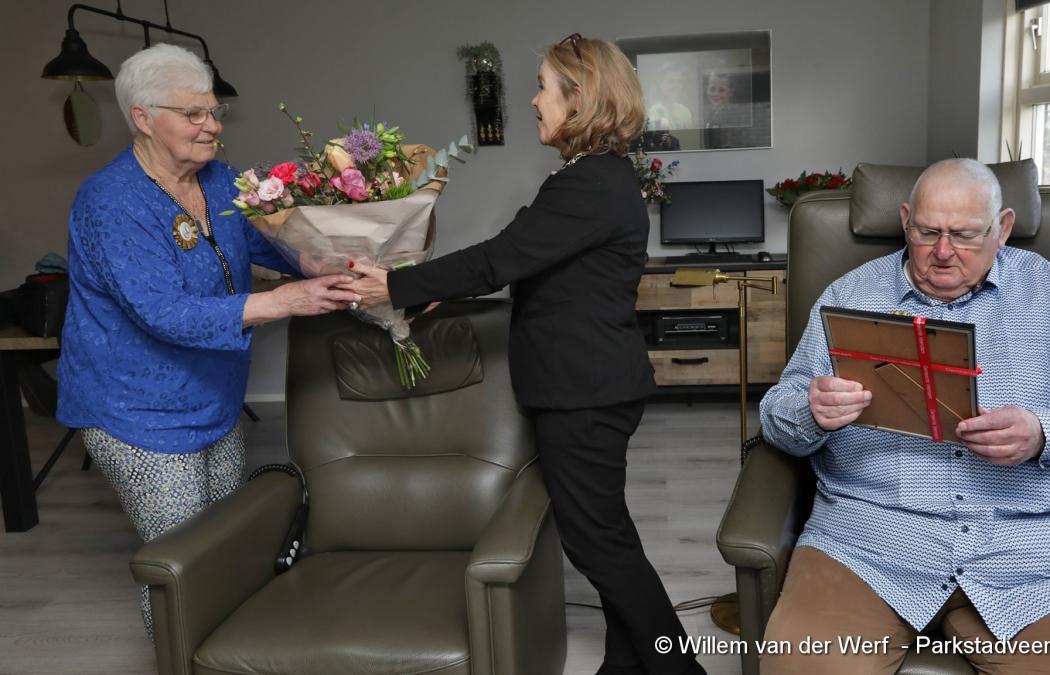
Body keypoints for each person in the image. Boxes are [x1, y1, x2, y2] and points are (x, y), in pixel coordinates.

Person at [342, 34, 706, 675]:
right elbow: (527, 256)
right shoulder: (590, 177)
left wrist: (395, 285)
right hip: (588, 385)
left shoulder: (590, 183)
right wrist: (435, 293)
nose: (534, 101)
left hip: (586, 391)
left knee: (599, 544)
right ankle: (626, 665)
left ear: (580, 98)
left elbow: (499, 258)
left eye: (543, 87)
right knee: (605, 535)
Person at [757, 158, 1050, 674]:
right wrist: (810, 410)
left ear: (1003, 228)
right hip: (867, 549)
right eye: (928, 233)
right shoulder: (850, 295)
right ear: (905, 221)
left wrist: (1044, 433)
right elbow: (777, 414)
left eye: (965, 235)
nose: (943, 252)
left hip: (1034, 562)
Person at [56, 44, 358, 639]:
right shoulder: (111, 201)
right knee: (183, 565)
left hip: (213, 395)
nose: (213, 126)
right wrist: (287, 301)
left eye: (214, 111)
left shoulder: (218, 179)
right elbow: (163, 313)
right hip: (137, 410)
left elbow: (265, 244)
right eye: (193, 113)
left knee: (231, 545)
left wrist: (331, 262)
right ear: (142, 117)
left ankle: (228, 654)